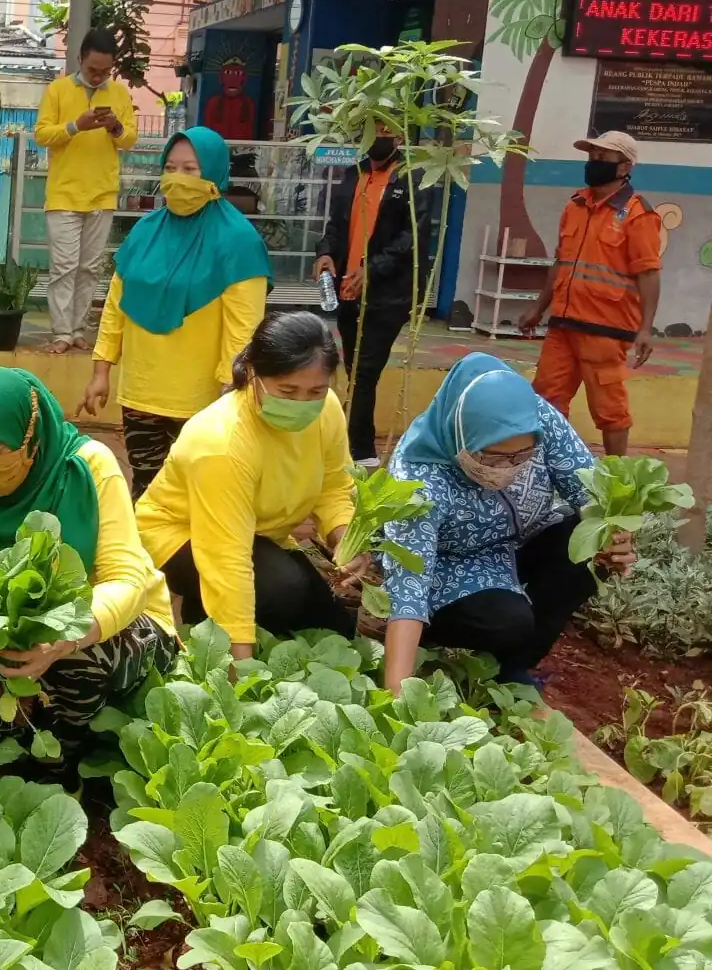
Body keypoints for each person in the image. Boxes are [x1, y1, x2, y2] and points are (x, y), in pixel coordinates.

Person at [0, 366, 174, 741]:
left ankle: (70, 768)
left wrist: (62, 637)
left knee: (75, 669)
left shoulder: (88, 467)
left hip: (116, 623)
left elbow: (127, 581)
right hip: (9, 630)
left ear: (32, 438)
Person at [378, 353, 636, 690]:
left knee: (587, 542)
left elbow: (590, 492)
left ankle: (512, 669)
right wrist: (396, 696)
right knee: (506, 621)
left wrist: (614, 538)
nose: (506, 468)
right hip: (450, 565)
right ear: (461, 435)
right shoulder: (416, 478)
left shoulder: (538, 420)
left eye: (521, 456)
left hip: (520, 543)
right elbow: (409, 587)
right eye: (492, 456)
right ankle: (437, 634)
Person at [135, 311, 365, 659]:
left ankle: (226, 624)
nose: (302, 403)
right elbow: (227, 559)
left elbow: (334, 483)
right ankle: (204, 634)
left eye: (315, 390)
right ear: (254, 374)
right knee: (281, 590)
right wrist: (239, 673)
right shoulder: (220, 443)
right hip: (180, 532)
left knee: (336, 625)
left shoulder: (326, 409)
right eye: (287, 390)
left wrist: (344, 537)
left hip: (259, 531)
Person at [80, 126, 271, 498]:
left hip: (202, 402)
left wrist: (230, 391)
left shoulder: (239, 242)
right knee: (146, 489)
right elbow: (116, 305)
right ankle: (145, 557)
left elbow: (243, 329)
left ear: (215, 173)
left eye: (191, 169)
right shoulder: (145, 231)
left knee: (195, 493)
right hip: (140, 391)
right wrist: (101, 370)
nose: (177, 179)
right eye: (170, 167)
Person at [520, 131, 661, 456]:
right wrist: (539, 307)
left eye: (602, 158)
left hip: (606, 330)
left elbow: (649, 273)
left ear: (625, 166)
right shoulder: (576, 205)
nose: (593, 164)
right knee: (545, 401)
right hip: (563, 325)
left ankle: (616, 481)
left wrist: (645, 328)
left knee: (609, 411)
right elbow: (561, 261)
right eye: (591, 157)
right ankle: (550, 473)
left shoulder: (639, 214)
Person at [312, 131, 433, 466]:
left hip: (387, 295)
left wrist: (372, 270)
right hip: (348, 290)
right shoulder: (355, 174)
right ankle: (355, 444)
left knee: (365, 372)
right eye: (372, 129)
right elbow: (337, 225)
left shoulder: (411, 177)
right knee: (354, 369)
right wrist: (325, 253)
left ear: (398, 135)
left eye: (386, 130)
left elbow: (413, 237)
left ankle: (360, 453)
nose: (379, 136)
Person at [33, 29, 138, 355]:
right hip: (64, 194)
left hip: (102, 193)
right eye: (93, 69)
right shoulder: (58, 90)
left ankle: (79, 330)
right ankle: (62, 333)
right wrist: (76, 125)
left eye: (105, 71)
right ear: (79, 59)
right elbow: (42, 135)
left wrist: (115, 127)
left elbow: (130, 138)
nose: (98, 76)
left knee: (90, 267)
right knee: (63, 267)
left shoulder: (119, 94)